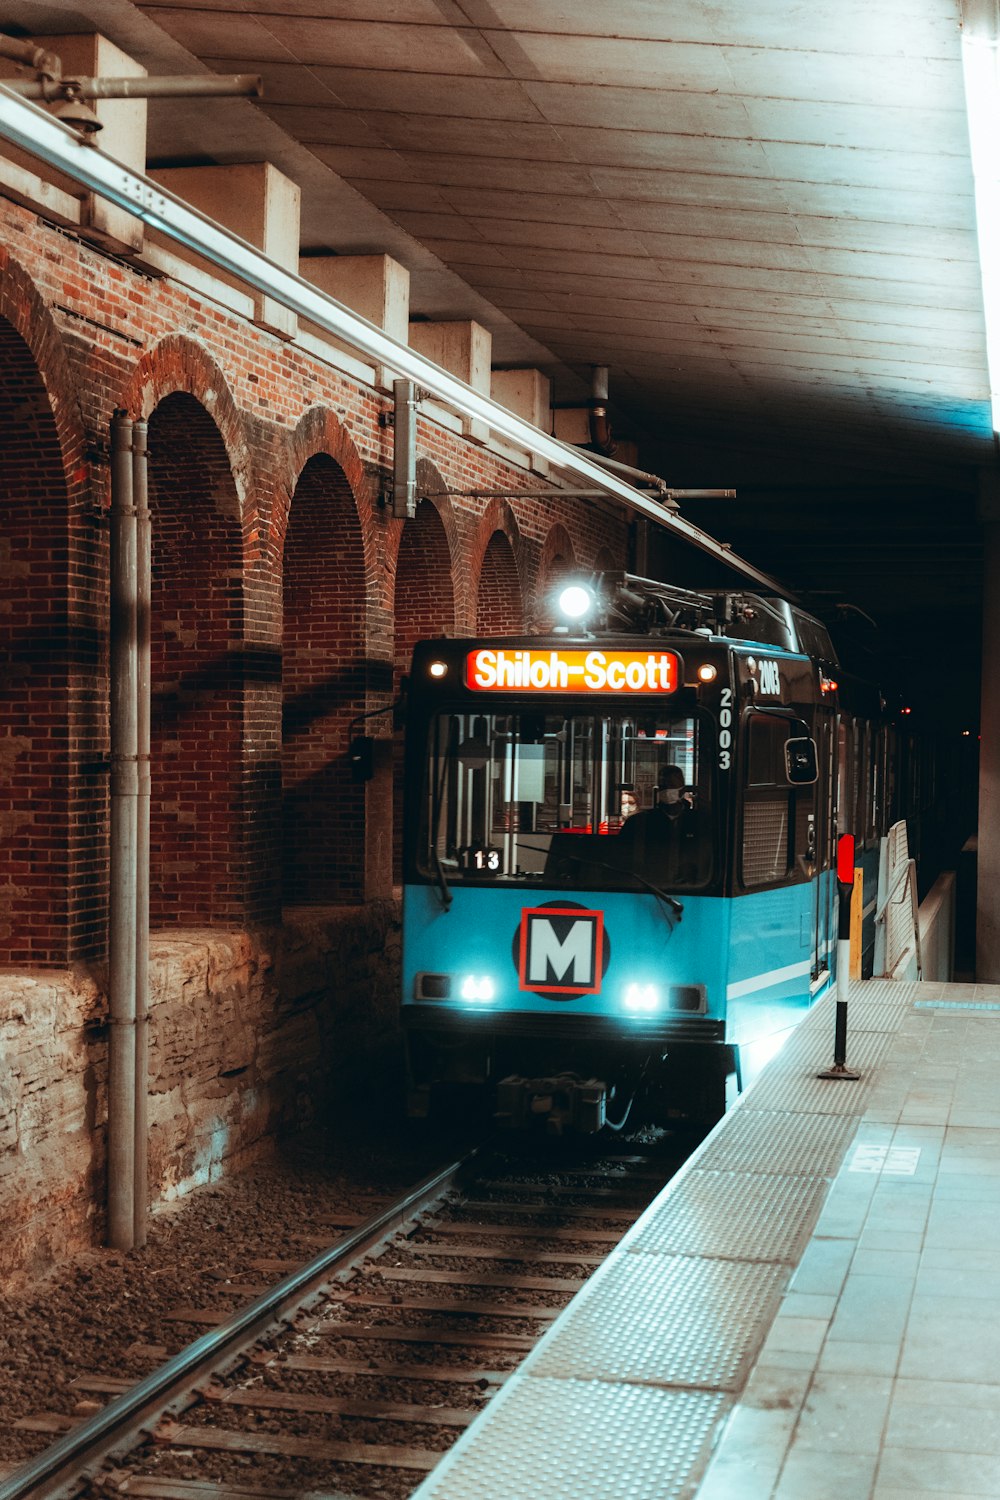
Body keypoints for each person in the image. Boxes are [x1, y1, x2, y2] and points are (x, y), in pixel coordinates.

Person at [616, 763, 702, 884]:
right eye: (663, 786)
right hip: (648, 886)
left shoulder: (698, 822)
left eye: (671, 785)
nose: (666, 791)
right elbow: (622, 858)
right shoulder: (639, 823)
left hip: (692, 888)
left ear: (682, 790)